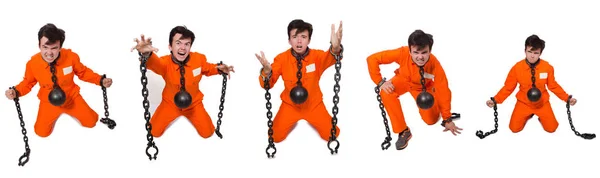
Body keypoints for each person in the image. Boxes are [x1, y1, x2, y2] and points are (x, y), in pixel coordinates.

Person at [5, 23, 113, 137]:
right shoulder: (32, 64)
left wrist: (100, 80)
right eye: (45, 47)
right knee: (41, 133)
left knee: (91, 122)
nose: (49, 53)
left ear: (60, 46)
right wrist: (16, 92)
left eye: (54, 48)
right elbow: (28, 83)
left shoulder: (71, 57)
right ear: (39, 45)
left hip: (71, 97)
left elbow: (83, 73)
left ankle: (71, 112)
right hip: (48, 101)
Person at [131, 26, 235, 138]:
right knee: (153, 132)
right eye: (178, 43)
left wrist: (219, 69)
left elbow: (208, 68)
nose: (183, 48)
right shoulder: (165, 63)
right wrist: (147, 55)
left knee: (208, 133)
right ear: (170, 46)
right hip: (170, 104)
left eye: (187, 44)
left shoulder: (198, 59)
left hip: (194, 104)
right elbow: (155, 63)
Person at [366, 29, 462, 150]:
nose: (420, 57)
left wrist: (447, 118)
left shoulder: (435, 65)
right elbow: (372, 59)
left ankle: (438, 110)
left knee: (431, 121)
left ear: (430, 51)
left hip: (423, 88)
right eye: (416, 52)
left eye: (424, 52)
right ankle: (403, 131)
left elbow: (443, 90)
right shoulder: (402, 53)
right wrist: (380, 82)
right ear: (410, 50)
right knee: (386, 93)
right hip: (403, 80)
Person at [254, 19, 343, 143]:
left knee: (332, 135)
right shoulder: (281, 59)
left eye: (303, 36)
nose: (299, 41)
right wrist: (267, 72)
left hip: (313, 104)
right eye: (295, 37)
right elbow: (268, 84)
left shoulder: (317, 56)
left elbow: (331, 57)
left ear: (309, 40)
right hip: (290, 105)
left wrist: (335, 47)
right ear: (289, 40)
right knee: (274, 137)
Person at [486, 34, 576, 133]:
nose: (532, 56)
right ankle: (528, 115)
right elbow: (508, 87)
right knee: (514, 129)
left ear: (540, 53)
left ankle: (541, 118)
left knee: (552, 129)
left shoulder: (547, 67)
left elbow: (553, 86)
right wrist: (495, 100)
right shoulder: (517, 68)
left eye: (536, 53)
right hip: (524, 103)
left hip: (542, 103)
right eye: (529, 51)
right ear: (525, 51)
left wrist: (567, 98)